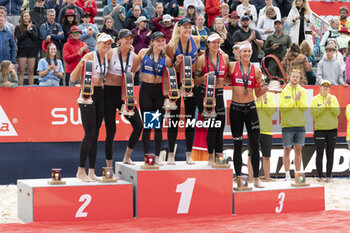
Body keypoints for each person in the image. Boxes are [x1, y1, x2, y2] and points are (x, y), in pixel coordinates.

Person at [70, 33, 113, 182]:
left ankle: (92, 171)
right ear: (98, 44)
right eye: (104, 43)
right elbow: (72, 78)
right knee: (89, 133)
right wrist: (81, 63)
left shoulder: (107, 57)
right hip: (87, 93)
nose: (107, 46)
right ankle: (80, 170)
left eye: (109, 44)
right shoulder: (89, 56)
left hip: (100, 94)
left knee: (96, 134)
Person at [228, 42, 267, 188]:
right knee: (237, 145)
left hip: (251, 109)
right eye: (244, 51)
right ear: (238, 52)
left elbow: (257, 93)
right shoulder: (232, 66)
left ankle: (256, 178)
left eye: (249, 52)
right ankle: (239, 178)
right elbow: (223, 78)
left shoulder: (256, 70)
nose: (246, 54)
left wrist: (268, 89)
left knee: (255, 145)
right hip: (235, 109)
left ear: (251, 53)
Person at [104, 29, 142, 167]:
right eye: (126, 38)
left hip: (124, 94)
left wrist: (128, 98)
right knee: (111, 131)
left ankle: (127, 157)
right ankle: (109, 167)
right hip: (108, 93)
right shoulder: (110, 53)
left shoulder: (135, 57)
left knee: (138, 126)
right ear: (119, 40)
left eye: (131, 39)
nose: (129, 41)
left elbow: (130, 78)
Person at [165, 17, 201, 164]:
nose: (187, 30)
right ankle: (171, 155)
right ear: (178, 28)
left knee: (190, 119)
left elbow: (198, 58)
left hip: (190, 84)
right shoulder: (171, 45)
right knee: (173, 118)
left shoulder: (196, 40)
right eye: (185, 27)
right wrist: (177, 63)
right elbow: (169, 69)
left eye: (189, 27)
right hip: (176, 84)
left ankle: (188, 155)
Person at [194, 32, 229, 165]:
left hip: (219, 93)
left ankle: (219, 156)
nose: (216, 44)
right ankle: (210, 156)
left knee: (220, 126)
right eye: (213, 42)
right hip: (206, 95)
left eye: (218, 42)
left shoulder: (224, 57)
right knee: (212, 126)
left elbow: (227, 77)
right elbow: (195, 81)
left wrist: (225, 80)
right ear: (207, 44)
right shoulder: (202, 59)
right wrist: (204, 78)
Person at [138, 32, 171, 163]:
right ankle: (146, 156)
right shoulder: (143, 53)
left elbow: (171, 76)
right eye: (158, 41)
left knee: (158, 127)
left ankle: (157, 157)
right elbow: (132, 68)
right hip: (146, 90)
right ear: (152, 42)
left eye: (163, 41)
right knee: (147, 126)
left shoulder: (166, 58)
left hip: (159, 92)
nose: (161, 43)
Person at [278, 69, 307, 181]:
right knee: (286, 150)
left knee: (298, 150)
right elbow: (282, 108)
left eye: (297, 77)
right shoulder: (283, 91)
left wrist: (298, 101)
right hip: (287, 125)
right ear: (289, 77)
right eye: (293, 76)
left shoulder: (303, 91)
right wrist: (294, 100)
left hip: (300, 124)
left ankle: (298, 174)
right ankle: (286, 175)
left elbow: (304, 107)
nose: (295, 78)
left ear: (299, 78)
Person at [310, 80, 340, 183]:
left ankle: (328, 176)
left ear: (329, 89)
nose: (325, 88)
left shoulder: (334, 98)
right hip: (320, 130)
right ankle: (320, 176)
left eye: (327, 86)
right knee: (319, 153)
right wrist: (324, 105)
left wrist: (330, 104)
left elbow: (337, 112)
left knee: (330, 153)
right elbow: (313, 113)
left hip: (332, 130)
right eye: (323, 86)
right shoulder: (315, 99)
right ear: (320, 87)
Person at [247, 83, 276, 182]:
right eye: (261, 85)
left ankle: (267, 179)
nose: (263, 87)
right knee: (251, 155)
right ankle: (251, 179)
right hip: (254, 130)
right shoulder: (253, 94)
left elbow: (271, 112)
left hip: (267, 130)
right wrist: (258, 101)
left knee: (266, 156)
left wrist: (265, 100)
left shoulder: (270, 95)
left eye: (264, 85)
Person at [15, 11, 39, 86]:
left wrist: (30, 30)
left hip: (31, 50)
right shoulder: (18, 27)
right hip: (22, 50)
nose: (26, 17)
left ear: (29, 17)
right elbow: (19, 38)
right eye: (24, 16)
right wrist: (27, 31)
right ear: (22, 18)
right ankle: (21, 87)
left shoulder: (34, 27)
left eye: (27, 16)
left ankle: (30, 87)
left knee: (31, 71)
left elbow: (35, 38)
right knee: (21, 71)